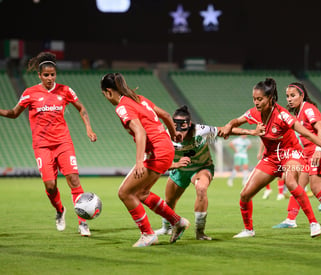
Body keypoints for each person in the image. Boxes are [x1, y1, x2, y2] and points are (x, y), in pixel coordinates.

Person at [218, 77, 321, 238]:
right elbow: (235, 122)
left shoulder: (282, 115)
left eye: (259, 99)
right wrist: (233, 126)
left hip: (291, 153)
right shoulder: (254, 113)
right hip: (271, 158)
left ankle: (313, 223)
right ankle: (249, 230)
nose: (256, 102)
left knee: (291, 181)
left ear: (270, 98)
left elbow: (306, 133)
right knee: (244, 195)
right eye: (254, 99)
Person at [0, 52, 97, 236]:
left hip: (63, 143)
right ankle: (60, 210)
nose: (50, 78)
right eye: (46, 75)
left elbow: (82, 109)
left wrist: (88, 129)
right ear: (39, 75)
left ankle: (83, 223)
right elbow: (14, 113)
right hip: (42, 146)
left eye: (52, 74)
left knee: (74, 180)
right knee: (50, 186)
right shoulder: (30, 93)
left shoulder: (65, 90)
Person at [100, 72, 190, 247]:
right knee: (141, 193)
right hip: (165, 149)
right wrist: (173, 135)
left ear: (109, 92)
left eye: (104, 95)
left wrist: (140, 160)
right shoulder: (140, 99)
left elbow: (140, 132)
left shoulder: (122, 107)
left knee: (125, 193)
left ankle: (147, 234)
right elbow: (164, 114)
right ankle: (177, 222)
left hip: (158, 152)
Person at [273, 82, 321, 229]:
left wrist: (318, 150)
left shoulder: (308, 109)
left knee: (316, 187)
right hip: (307, 153)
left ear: (302, 95)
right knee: (298, 186)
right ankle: (290, 219)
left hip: (319, 152)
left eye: (293, 95)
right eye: (287, 96)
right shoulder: (297, 113)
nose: (289, 99)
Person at [154, 105, 218, 240]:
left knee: (201, 189)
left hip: (200, 168)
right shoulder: (166, 136)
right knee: (170, 201)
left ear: (189, 125)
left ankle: (200, 232)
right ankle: (166, 228)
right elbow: (159, 164)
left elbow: (223, 130)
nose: (179, 134)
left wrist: (251, 132)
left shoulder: (201, 131)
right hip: (179, 170)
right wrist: (175, 165)